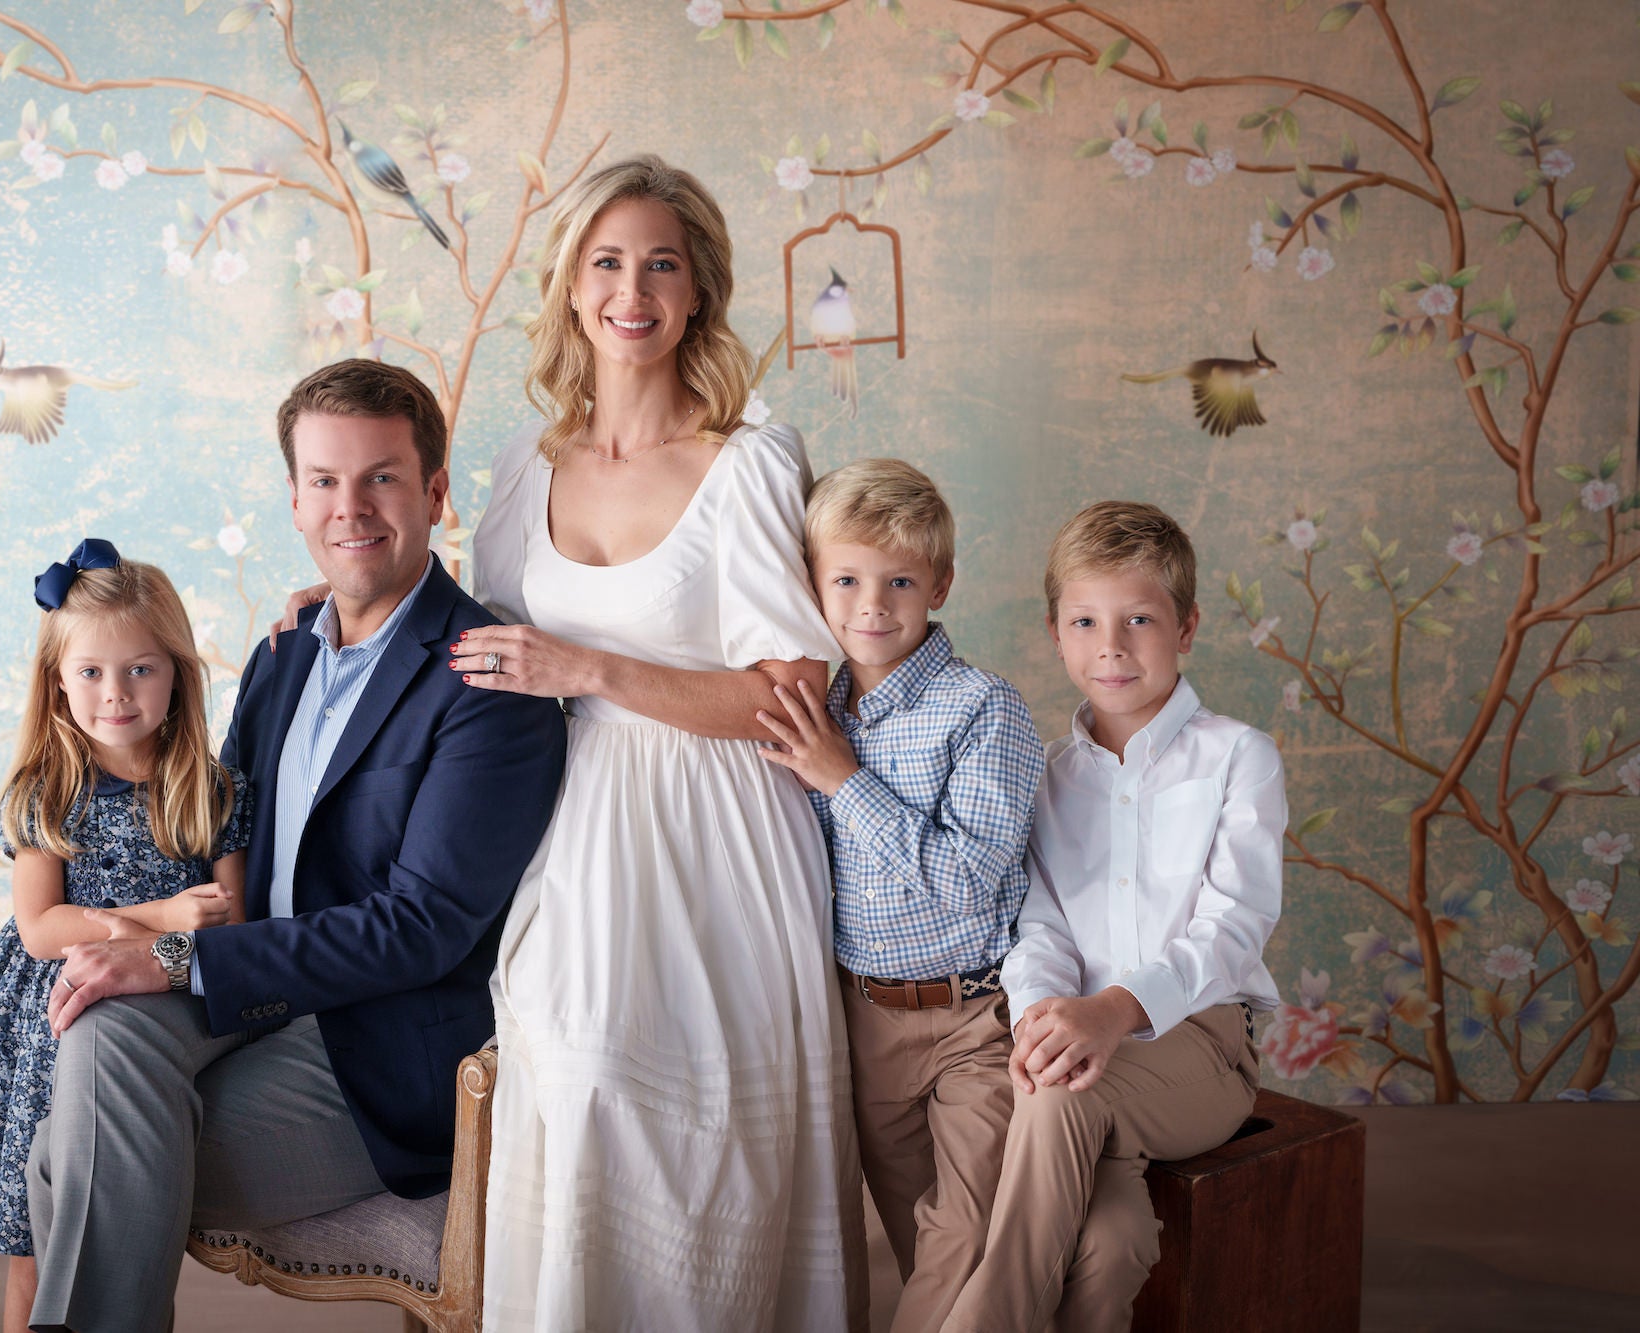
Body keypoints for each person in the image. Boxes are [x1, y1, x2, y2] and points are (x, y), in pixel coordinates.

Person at [22, 360, 568, 1333]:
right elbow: (209, 822)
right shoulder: (282, 652)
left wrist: (177, 953)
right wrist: (129, 925)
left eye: (380, 477)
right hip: (250, 992)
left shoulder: (483, 678)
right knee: (96, 1027)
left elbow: (421, 928)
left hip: (377, 1045)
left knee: (66, 1158)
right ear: (294, 496)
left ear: (434, 492)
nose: (348, 506)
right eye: (323, 479)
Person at [457, 154, 867, 1331]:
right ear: (569, 285)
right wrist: (336, 607)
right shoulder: (519, 465)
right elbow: (481, 642)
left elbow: (790, 697)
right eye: (605, 261)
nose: (629, 290)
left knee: (706, 1140)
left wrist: (588, 669)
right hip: (568, 821)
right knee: (571, 1091)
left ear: (696, 291)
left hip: (717, 825)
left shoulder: (745, 456)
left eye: (659, 265)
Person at [949, 500, 1284, 1333]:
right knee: (1112, 1237)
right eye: (1086, 620)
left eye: (1140, 618)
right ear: (1057, 634)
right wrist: (1041, 1022)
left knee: (1058, 1103)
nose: (1112, 645)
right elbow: (1041, 928)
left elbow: (1233, 928)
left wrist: (1113, 1012)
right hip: (1081, 1050)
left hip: (1201, 1047)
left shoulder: (1238, 756)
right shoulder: (1048, 773)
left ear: (1187, 626)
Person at [0, 540, 252, 1333]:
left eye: (140, 667)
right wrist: (157, 918)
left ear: (177, 670)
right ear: (58, 681)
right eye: (91, 672)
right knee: (36, 1242)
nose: (116, 693)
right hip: (50, 1017)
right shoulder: (51, 790)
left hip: (156, 1015)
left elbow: (236, 921)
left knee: (116, 1220)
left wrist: (166, 934)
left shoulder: (213, 791)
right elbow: (42, 928)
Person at [753, 459, 1043, 1333]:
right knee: (924, 1239)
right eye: (845, 579)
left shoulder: (984, 708)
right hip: (865, 1021)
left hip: (974, 1020)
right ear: (812, 582)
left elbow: (966, 881)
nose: (870, 605)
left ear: (940, 583)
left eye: (900, 581)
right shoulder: (810, 707)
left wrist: (844, 781)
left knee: (965, 1233)